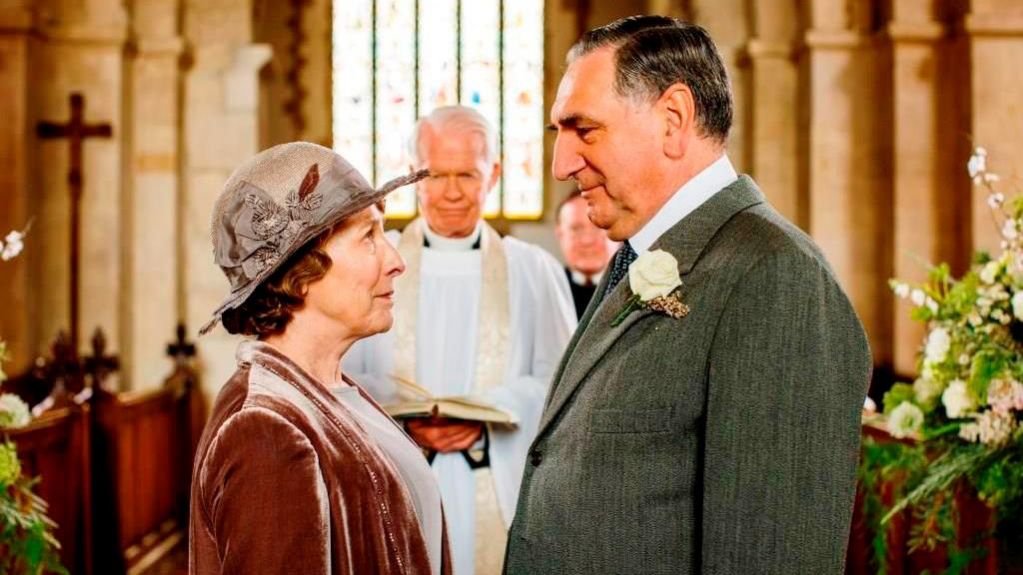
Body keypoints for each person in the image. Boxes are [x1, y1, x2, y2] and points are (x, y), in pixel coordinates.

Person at [505, 16, 871, 575]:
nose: (561, 165)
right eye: (560, 132)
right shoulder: (639, 253)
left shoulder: (774, 276)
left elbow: (770, 557)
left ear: (673, 119)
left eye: (585, 129)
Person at [189, 142, 450, 574]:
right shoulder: (264, 432)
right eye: (369, 237)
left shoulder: (332, 392)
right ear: (303, 270)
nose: (396, 261)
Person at [344, 105, 576, 575]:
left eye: (467, 175)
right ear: (413, 175)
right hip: (395, 476)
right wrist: (402, 421)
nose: (452, 192)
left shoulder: (532, 270)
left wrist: (489, 415)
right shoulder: (370, 266)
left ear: (494, 174)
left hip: (494, 483)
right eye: (436, 175)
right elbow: (338, 374)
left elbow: (565, 385)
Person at [554, 188, 617, 318]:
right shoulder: (546, 290)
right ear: (560, 235)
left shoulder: (637, 289)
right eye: (576, 229)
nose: (587, 240)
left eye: (599, 226)